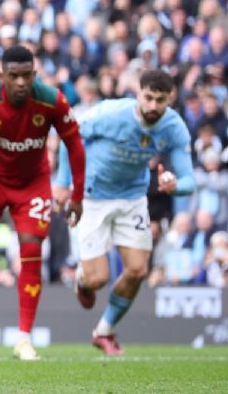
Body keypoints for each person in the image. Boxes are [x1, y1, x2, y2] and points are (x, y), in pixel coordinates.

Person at [0, 45, 86, 360]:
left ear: (35, 75)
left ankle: (24, 339)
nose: (21, 82)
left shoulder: (52, 100)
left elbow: (74, 144)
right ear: (2, 76)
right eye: (14, 76)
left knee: (32, 250)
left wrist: (76, 195)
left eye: (27, 76)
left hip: (33, 183)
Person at [54, 69, 194, 355]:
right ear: (138, 94)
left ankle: (104, 331)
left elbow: (189, 180)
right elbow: (70, 136)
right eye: (148, 98)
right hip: (93, 196)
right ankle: (82, 279)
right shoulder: (110, 114)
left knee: (138, 269)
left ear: (171, 98)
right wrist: (62, 183)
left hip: (132, 198)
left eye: (160, 100)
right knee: (97, 279)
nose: (153, 106)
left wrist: (175, 185)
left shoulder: (174, 127)